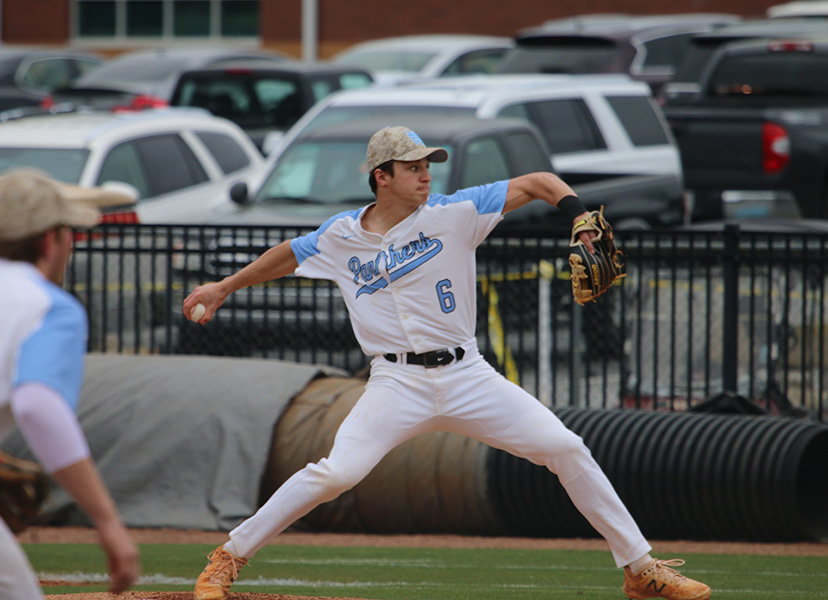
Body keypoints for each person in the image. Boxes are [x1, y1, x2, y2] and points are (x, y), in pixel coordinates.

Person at [183, 126, 711, 600]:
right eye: (412, 167)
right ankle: (226, 559)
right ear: (381, 177)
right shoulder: (341, 236)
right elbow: (290, 254)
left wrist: (580, 217)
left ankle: (640, 569)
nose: (425, 175)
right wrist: (225, 286)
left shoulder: (456, 214)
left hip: (468, 376)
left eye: (427, 165)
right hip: (396, 382)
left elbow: (539, 182)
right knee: (336, 473)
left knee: (565, 447)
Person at [0, 169, 140, 600]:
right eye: (68, 233)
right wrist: (106, 520)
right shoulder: (49, 305)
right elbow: (37, 405)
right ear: (51, 240)